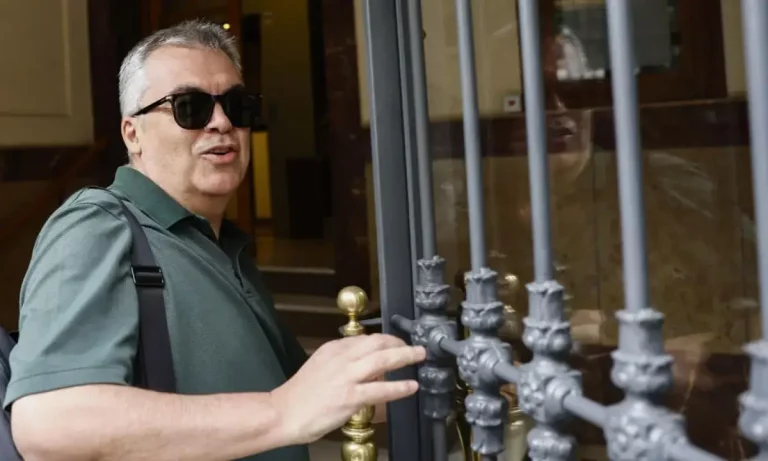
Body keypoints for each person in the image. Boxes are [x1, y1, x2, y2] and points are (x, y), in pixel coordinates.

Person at [5, 20, 425, 461]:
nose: (222, 123)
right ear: (134, 134)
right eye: (190, 107)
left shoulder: (223, 246)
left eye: (238, 106)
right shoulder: (97, 225)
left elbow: (311, 396)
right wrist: (280, 411)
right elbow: (51, 422)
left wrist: (454, 385)